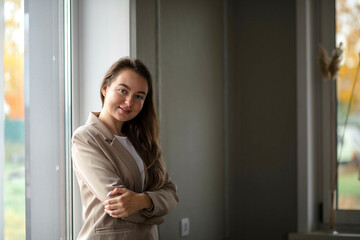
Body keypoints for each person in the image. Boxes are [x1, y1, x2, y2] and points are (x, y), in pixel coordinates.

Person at [72, 57, 178, 240]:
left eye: (139, 96)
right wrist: (156, 208)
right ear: (105, 89)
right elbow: (118, 204)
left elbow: (171, 193)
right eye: (123, 90)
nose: (129, 102)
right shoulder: (86, 138)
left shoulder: (142, 140)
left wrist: (143, 201)